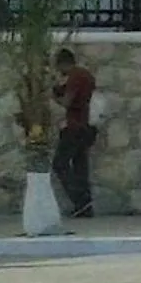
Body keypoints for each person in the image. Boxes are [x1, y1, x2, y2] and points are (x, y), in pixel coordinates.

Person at [50, 48, 97, 219]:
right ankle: (85, 207)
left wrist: (54, 96)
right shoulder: (86, 76)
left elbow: (67, 102)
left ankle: (80, 200)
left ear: (63, 63)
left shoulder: (75, 77)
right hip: (85, 126)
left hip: (74, 127)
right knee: (80, 166)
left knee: (60, 164)